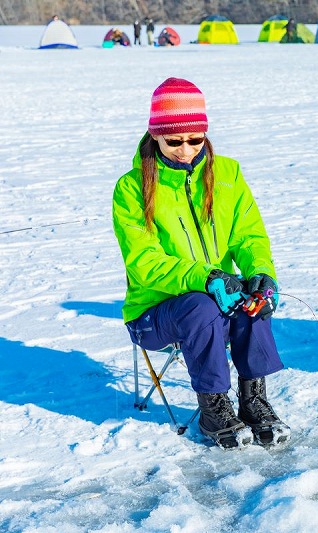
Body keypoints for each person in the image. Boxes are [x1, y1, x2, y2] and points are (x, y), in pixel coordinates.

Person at [113, 78, 290, 449]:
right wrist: (206, 277)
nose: (185, 149)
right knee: (200, 304)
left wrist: (261, 274)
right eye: (174, 141)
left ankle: (254, 400)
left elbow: (249, 237)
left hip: (217, 301)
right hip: (153, 316)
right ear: (155, 135)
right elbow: (144, 262)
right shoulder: (131, 188)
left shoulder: (228, 174)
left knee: (251, 297)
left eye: (194, 140)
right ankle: (214, 408)